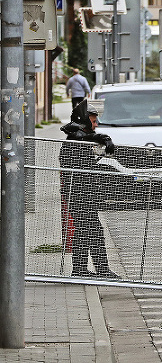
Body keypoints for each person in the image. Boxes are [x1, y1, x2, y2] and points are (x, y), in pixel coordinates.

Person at [60, 100, 119, 279]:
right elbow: (81, 139)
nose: (96, 124)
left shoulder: (80, 138)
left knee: (87, 231)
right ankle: (91, 270)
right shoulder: (75, 139)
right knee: (89, 230)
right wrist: (101, 138)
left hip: (84, 194)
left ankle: (82, 270)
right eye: (93, 121)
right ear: (84, 121)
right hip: (78, 195)